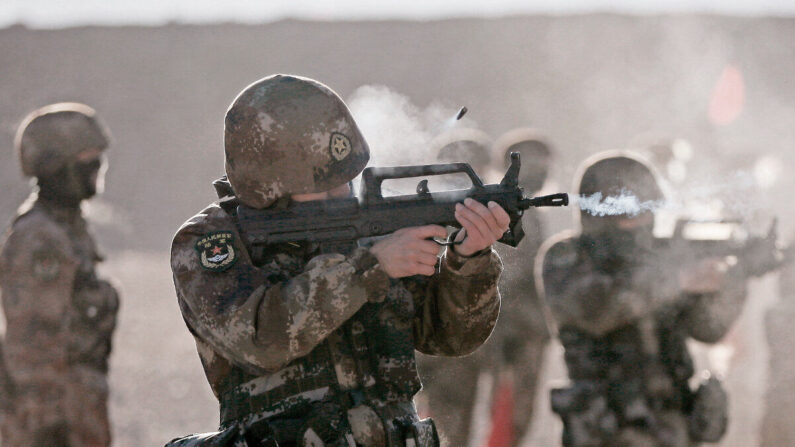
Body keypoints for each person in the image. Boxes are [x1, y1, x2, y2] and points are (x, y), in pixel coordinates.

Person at [166, 74, 512, 447]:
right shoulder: (210, 241)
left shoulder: (365, 228)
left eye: (344, 182)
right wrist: (370, 269)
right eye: (322, 188)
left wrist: (468, 260)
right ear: (271, 184)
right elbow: (259, 341)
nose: (341, 195)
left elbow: (452, 337)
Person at [537, 151, 749, 447]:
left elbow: (707, 329)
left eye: (650, 209)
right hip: (604, 426)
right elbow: (596, 311)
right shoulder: (567, 256)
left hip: (673, 424)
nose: (646, 221)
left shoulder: (661, 259)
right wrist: (678, 280)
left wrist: (731, 282)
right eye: (633, 212)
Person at [0, 103, 119, 447]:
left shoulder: (68, 229)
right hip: (52, 420)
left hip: (77, 411)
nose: (96, 167)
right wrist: (47, 429)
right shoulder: (40, 238)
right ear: (56, 166)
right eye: (87, 158)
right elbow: (33, 345)